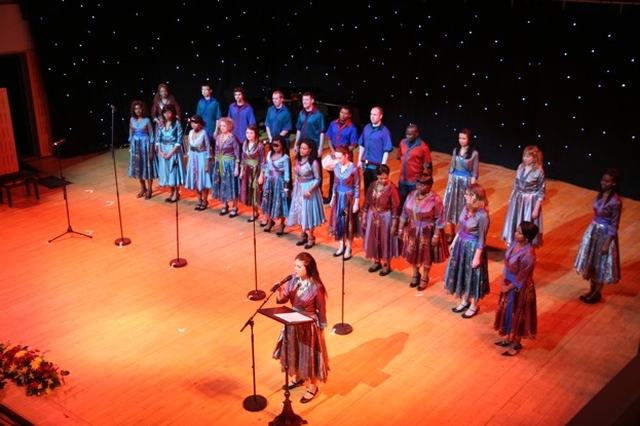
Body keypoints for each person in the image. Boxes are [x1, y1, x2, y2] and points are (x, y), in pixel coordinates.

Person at [273, 252, 329, 404]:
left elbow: (322, 309)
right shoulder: (292, 281)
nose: (295, 269)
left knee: (309, 356)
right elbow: (283, 299)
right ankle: (297, 377)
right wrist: (279, 290)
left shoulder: (317, 287)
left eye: (298, 266)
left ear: (307, 268)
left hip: (308, 326)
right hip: (292, 323)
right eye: (294, 266)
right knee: (294, 352)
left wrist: (321, 329)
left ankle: (312, 386)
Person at [574, 168, 622, 304]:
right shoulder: (600, 195)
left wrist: (607, 243)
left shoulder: (616, 202)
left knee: (601, 262)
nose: (603, 183)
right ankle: (591, 289)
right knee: (592, 259)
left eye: (607, 181)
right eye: (603, 180)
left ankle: (597, 292)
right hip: (594, 230)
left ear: (614, 183)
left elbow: (614, 224)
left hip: (605, 233)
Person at [444, 183, 490, 319]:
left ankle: (474, 305)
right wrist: (454, 242)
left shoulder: (483, 215)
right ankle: (465, 300)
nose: (464, 196)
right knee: (462, 273)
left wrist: (477, 257)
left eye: (467, 194)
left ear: (474, 196)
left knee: (473, 277)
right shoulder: (466, 208)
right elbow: (461, 227)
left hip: (472, 248)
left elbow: (482, 239)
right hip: (461, 245)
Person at [494, 221, 540, 356]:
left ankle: (516, 344)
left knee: (518, 314)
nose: (515, 234)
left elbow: (522, 278)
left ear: (527, 238)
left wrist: (507, 287)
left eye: (519, 233)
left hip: (519, 289)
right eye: (516, 230)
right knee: (507, 312)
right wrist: (503, 281)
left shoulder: (528, 255)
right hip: (508, 284)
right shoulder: (515, 244)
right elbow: (507, 264)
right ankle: (509, 337)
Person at [398, 173, 448, 291]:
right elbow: (404, 213)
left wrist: (436, 235)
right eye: (418, 184)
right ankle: (416, 274)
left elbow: (440, 219)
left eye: (423, 185)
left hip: (427, 231)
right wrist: (400, 228)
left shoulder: (435, 199)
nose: (419, 187)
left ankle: (425, 277)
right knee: (413, 253)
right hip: (413, 229)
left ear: (430, 186)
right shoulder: (411, 195)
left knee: (426, 255)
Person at [361, 164, 401, 276]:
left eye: (385, 178)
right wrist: (364, 216)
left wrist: (394, 225)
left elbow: (396, 208)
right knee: (374, 238)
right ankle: (377, 261)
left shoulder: (392, 189)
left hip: (385, 217)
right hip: (372, 215)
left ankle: (387, 264)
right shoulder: (372, 185)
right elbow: (367, 201)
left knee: (385, 240)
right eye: (380, 178)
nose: (383, 180)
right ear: (377, 177)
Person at [502, 145, 545, 247]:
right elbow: (516, 184)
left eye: (528, 157)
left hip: (529, 201)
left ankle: (525, 245)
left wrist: (536, 208)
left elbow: (541, 191)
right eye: (524, 156)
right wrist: (511, 197)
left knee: (526, 222)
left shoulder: (539, 171)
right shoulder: (521, 167)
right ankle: (514, 243)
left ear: (534, 158)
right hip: (518, 198)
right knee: (515, 219)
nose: (525, 159)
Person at [442, 128, 479, 243]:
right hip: (454, 182)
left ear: (469, 139)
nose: (461, 140)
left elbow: (474, 172)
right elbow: (452, 168)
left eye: (464, 138)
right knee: (452, 206)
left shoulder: (474, 154)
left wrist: (471, 189)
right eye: (460, 138)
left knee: (463, 207)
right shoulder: (455, 151)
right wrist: (449, 184)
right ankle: (452, 232)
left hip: (465, 183)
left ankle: (461, 232)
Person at [288, 138, 326, 249]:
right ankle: (303, 234)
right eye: (301, 148)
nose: (301, 150)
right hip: (299, 188)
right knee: (300, 212)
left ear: (310, 150)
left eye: (304, 148)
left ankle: (311, 237)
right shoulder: (298, 160)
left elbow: (318, 179)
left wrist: (309, 190)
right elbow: (297, 175)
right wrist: (294, 188)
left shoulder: (313, 163)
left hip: (308, 190)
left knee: (307, 213)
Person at [328, 146, 360, 260]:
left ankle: (349, 247)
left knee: (349, 222)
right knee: (339, 221)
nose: (338, 160)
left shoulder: (354, 169)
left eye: (340, 158)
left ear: (346, 155)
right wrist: (332, 198)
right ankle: (341, 245)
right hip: (338, 197)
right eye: (337, 158)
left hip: (348, 198)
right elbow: (335, 184)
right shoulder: (337, 166)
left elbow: (357, 186)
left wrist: (356, 202)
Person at [293, 92, 326, 199]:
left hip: (313, 147)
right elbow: (298, 129)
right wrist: (296, 143)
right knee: (302, 167)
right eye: (303, 100)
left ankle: (317, 193)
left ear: (312, 100)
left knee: (315, 169)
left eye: (306, 100)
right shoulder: (301, 113)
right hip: (302, 146)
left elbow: (322, 131)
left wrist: (320, 147)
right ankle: (302, 190)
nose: (304, 102)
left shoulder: (318, 114)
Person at [323, 106, 359, 204]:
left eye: (345, 113)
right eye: (341, 112)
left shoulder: (352, 128)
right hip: (334, 153)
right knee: (333, 177)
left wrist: (343, 153)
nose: (342, 115)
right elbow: (329, 138)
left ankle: (346, 200)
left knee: (345, 179)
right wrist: (332, 151)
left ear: (349, 115)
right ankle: (331, 197)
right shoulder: (333, 123)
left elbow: (354, 144)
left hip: (345, 156)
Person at [357, 106, 394, 195]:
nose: (372, 116)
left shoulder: (385, 131)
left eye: (375, 114)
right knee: (367, 188)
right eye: (371, 114)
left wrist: (382, 166)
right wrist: (359, 160)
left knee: (377, 190)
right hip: (366, 165)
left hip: (377, 167)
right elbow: (362, 144)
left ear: (380, 116)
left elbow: (386, 150)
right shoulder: (367, 127)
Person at [260, 135, 291, 236]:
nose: (275, 147)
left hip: (280, 182)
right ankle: (270, 221)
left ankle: (282, 224)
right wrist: (266, 181)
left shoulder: (285, 158)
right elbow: (268, 169)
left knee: (280, 202)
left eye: (277, 145)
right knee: (269, 200)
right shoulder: (269, 154)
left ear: (282, 146)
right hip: (270, 181)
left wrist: (286, 187)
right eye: (273, 145)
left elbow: (287, 173)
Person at [396, 124, 433, 207]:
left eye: (410, 134)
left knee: (414, 203)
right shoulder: (402, 143)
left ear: (416, 134)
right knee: (402, 201)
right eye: (407, 134)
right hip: (403, 180)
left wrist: (428, 181)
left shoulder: (423, 147)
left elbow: (429, 165)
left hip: (415, 182)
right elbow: (400, 157)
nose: (408, 136)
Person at [211, 117, 241, 217]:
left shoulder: (233, 138)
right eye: (221, 126)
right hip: (220, 163)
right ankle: (224, 204)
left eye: (224, 126)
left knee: (231, 185)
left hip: (230, 163)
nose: (222, 128)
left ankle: (235, 206)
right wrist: (216, 162)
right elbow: (216, 150)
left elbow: (237, 154)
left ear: (229, 126)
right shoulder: (219, 137)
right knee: (222, 184)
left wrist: (236, 167)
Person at [127, 100, 156, 199]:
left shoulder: (147, 120)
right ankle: (143, 188)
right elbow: (130, 134)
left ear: (142, 109)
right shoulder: (132, 120)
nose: (137, 110)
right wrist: (131, 148)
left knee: (147, 167)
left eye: (139, 108)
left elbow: (152, 136)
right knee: (139, 167)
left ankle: (150, 189)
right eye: (135, 109)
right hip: (136, 146)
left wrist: (152, 151)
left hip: (146, 145)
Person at [155, 104, 184, 202]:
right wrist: (160, 151)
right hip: (163, 149)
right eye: (165, 112)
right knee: (166, 171)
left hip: (173, 149)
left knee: (173, 171)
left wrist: (170, 154)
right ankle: (171, 192)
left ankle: (176, 192)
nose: (167, 114)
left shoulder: (177, 124)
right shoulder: (161, 124)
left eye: (169, 112)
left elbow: (178, 141)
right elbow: (158, 139)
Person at [183, 114, 211, 211]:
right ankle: (199, 200)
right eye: (192, 123)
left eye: (196, 123)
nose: (193, 125)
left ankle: (205, 200)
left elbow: (208, 149)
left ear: (200, 124)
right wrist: (188, 162)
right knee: (195, 179)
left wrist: (207, 164)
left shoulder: (204, 133)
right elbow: (190, 148)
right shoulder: (190, 133)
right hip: (193, 158)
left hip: (202, 157)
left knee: (202, 179)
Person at [239, 124, 265, 221]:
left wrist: (261, 175)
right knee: (249, 191)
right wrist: (242, 171)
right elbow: (243, 158)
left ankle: (264, 216)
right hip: (247, 170)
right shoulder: (245, 144)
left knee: (257, 191)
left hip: (256, 169)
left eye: (251, 133)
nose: (249, 135)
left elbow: (263, 161)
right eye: (247, 133)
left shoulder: (260, 145)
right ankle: (254, 212)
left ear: (255, 133)